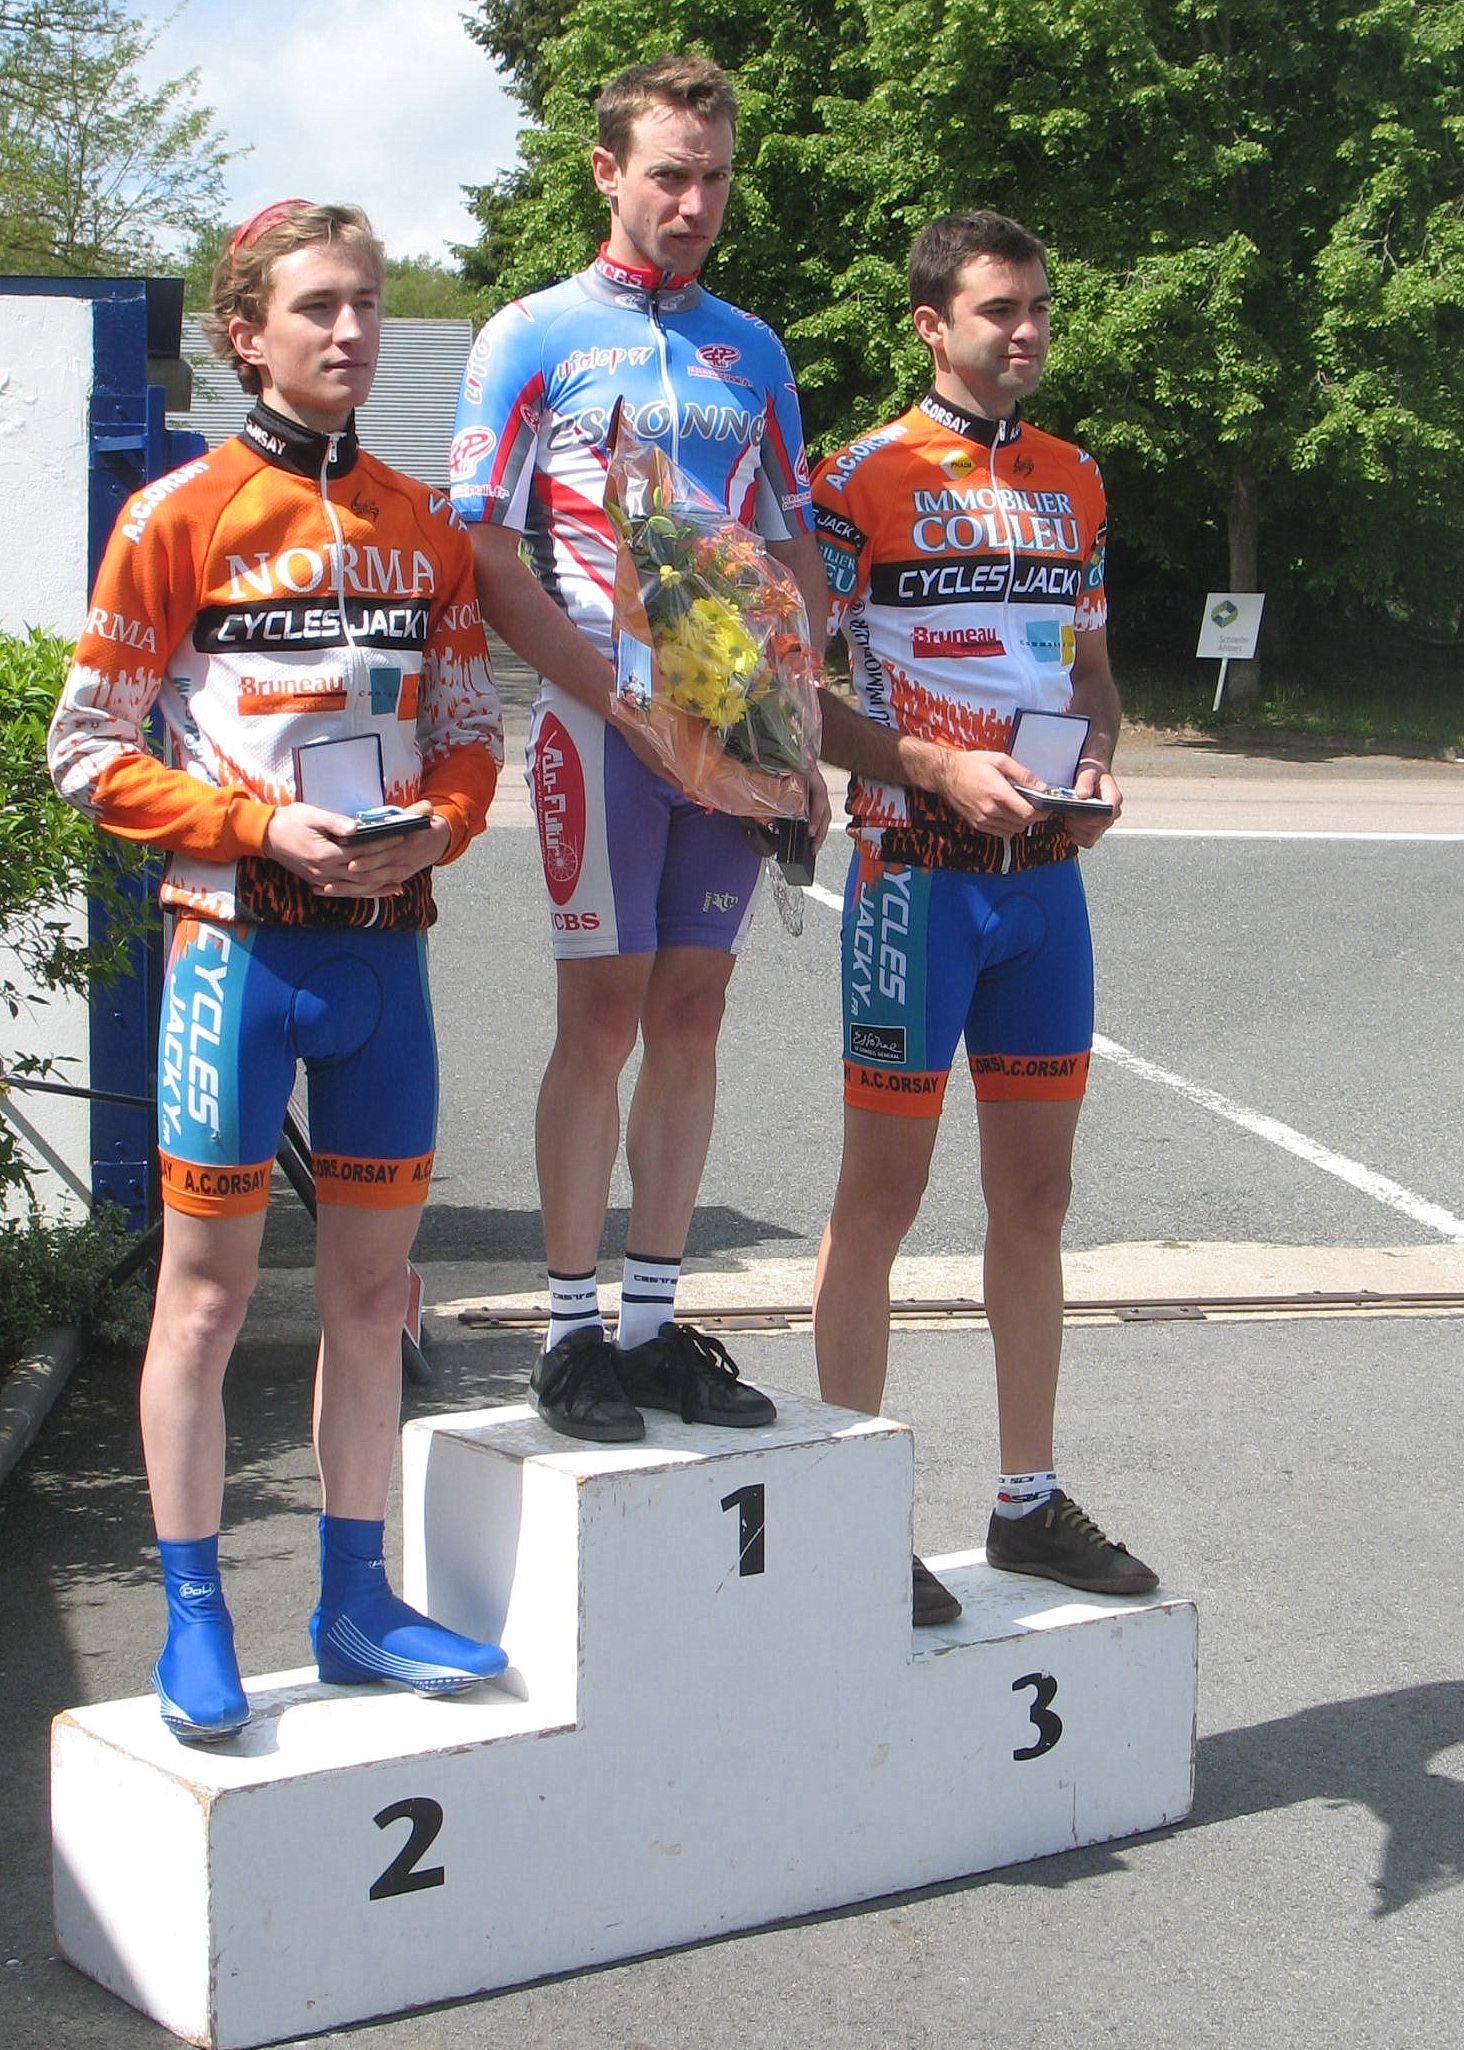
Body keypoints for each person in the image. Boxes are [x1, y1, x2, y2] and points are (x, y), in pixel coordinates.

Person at [48, 200, 509, 1741]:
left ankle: (356, 1602)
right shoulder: (174, 516)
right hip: (233, 958)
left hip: (385, 963)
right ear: (244, 333)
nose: (352, 330)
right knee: (204, 1301)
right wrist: (256, 825)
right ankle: (194, 1620)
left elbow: (468, 734)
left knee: (375, 1300)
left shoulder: (423, 523)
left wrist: (437, 827)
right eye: (318, 306)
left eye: (367, 301)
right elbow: (84, 750)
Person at [451, 56, 828, 1444]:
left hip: (729, 729)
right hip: (600, 728)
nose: (694, 202)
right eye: (670, 173)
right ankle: (569, 1338)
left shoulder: (753, 349)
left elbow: (792, 546)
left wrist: (791, 722)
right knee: (600, 1021)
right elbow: (489, 553)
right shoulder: (530, 334)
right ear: (608, 170)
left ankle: (654, 1327)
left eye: (715, 177)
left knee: (693, 1013)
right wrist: (617, 705)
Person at [811, 209, 1158, 1627]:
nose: (1025, 332)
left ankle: (1026, 1500)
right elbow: (792, 698)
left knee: (1037, 1197)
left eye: (1037, 310)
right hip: (913, 878)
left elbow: (1092, 676)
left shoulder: (1074, 478)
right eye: (997, 310)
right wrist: (929, 765)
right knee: (880, 1199)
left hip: (1040, 890)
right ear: (931, 326)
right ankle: (849, 1515)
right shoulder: (859, 481)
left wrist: (1097, 767)